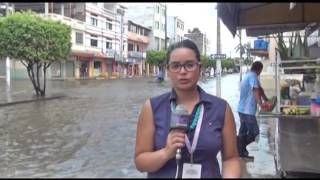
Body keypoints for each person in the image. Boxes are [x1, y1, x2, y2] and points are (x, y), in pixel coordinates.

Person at [135, 39, 241, 178]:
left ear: (200, 68)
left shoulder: (221, 108)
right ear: (168, 70)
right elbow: (140, 162)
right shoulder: (152, 108)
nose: (183, 71)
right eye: (176, 66)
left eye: (189, 65)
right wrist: (166, 153)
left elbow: (230, 158)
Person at [237, 61, 269, 160]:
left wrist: (266, 99)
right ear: (259, 69)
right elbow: (255, 90)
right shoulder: (253, 76)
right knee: (254, 132)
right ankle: (238, 148)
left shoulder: (249, 75)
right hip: (247, 111)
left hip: (241, 109)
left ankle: (240, 152)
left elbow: (260, 89)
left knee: (243, 132)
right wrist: (261, 103)